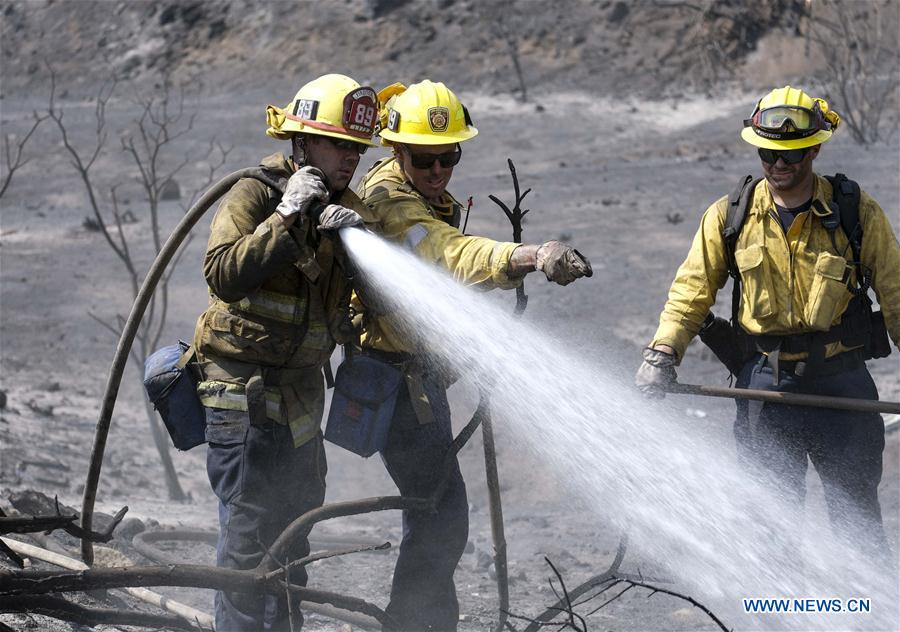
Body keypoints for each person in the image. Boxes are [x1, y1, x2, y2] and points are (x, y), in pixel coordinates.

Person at [353, 79, 593, 630]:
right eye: (425, 159)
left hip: (418, 371)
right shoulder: (390, 203)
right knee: (441, 514)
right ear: (396, 150)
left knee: (438, 511)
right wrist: (528, 255)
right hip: (392, 378)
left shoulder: (422, 193)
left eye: (449, 158)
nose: (438, 171)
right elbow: (446, 255)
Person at [635, 86, 899, 563]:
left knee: (857, 525)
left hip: (842, 387)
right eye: (769, 153)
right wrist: (662, 355)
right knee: (770, 529)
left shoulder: (856, 212)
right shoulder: (728, 217)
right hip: (763, 388)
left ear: (814, 148)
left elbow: (898, 295)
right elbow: (691, 292)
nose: (779, 165)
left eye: (792, 154)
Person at [192, 73, 378, 630]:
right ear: (301, 143)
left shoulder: (349, 208)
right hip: (240, 398)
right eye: (338, 145)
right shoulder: (257, 192)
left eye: (358, 149)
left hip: (301, 404)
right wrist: (285, 217)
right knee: (248, 547)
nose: (350, 160)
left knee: (293, 548)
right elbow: (222, 273)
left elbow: (356, 316)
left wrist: (358, 248)